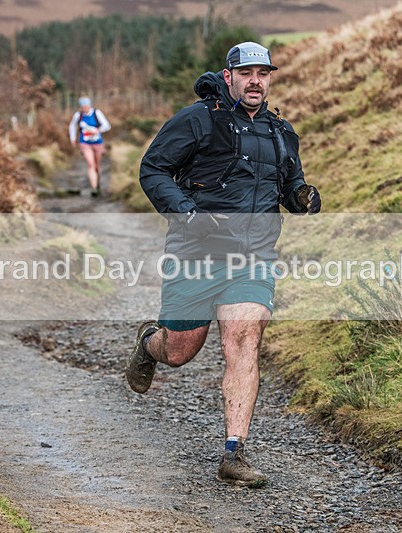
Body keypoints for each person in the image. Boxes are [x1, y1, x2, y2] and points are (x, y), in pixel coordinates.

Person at [126, 42, 321, 487]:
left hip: (254, 257)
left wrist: (302, 197)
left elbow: (290, 186)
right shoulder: (198, 119)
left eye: (263, 73)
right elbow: (153, 169)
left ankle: (234, 452)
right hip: (196, 252)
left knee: (244, 339)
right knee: (180, 350)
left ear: (269, 79)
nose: (256, 81)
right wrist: (187, 212)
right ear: (229, 76)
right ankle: (150, 344)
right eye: (246, 73)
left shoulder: (280, 132)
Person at [69, 97, 111, 196]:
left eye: (86, 106)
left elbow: (107, 126)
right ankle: (94, 188)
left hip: (97, 142)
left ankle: (97, 184)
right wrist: (73, 138)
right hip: (84, 142)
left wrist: (98, 130)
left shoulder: (97, 113)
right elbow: (72, 126)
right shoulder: (78, 115)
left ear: (89, 105)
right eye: (82, 107)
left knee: (97, 166)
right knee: (91, 164)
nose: (84, 108)